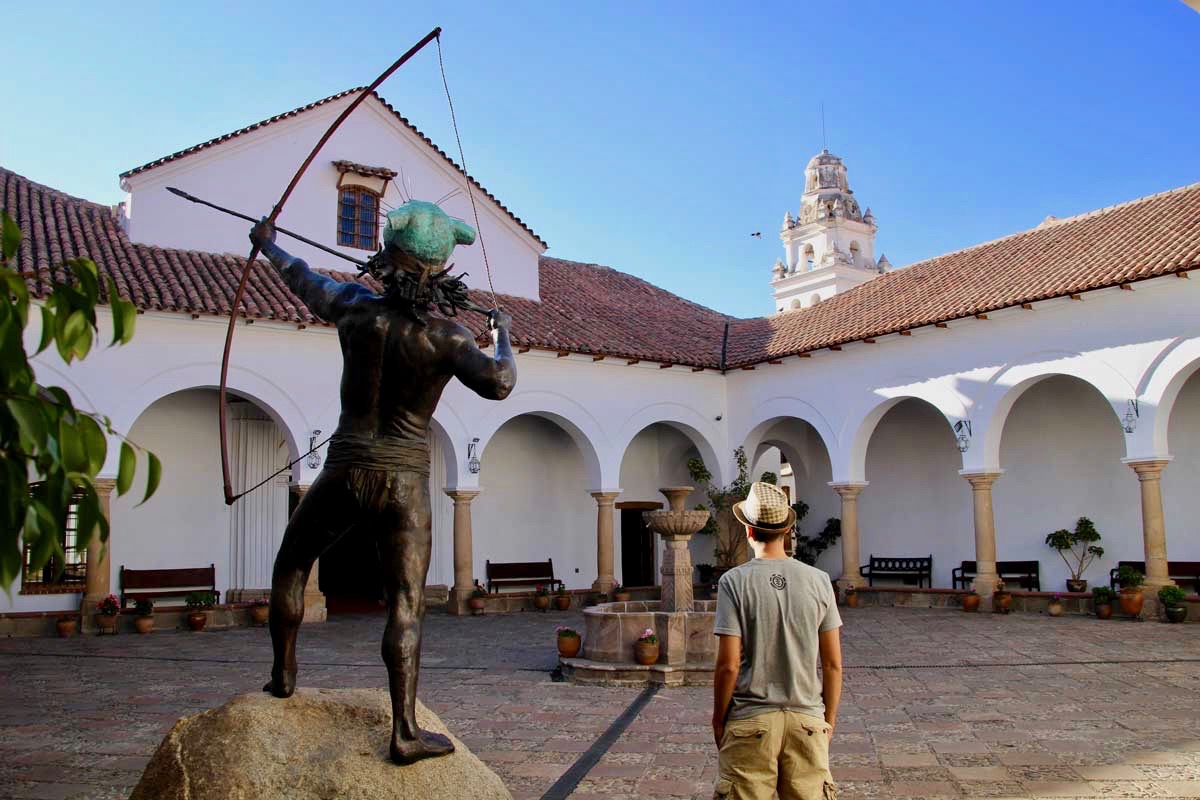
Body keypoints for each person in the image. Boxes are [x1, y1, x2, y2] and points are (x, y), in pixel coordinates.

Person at [249, 200, 516, 765]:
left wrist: (269, 244)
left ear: (386, 259)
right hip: (404, 479)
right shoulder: (447, 337)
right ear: (440, 270)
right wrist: (504, 336)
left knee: (292, 565)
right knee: (406, 603)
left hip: (346, 467)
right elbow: (499, 384)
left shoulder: (352, 306)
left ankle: (283, 676)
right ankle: (404, 731)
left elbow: (302, 277)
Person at [712, 481, 843, 799]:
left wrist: (718, 719)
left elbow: (728, 665)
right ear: (787, 530)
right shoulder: (819, 581)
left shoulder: (734, 582)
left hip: (751, 720)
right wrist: (828, 721)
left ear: (748, 531)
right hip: (807, 719)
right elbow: (832, 664)